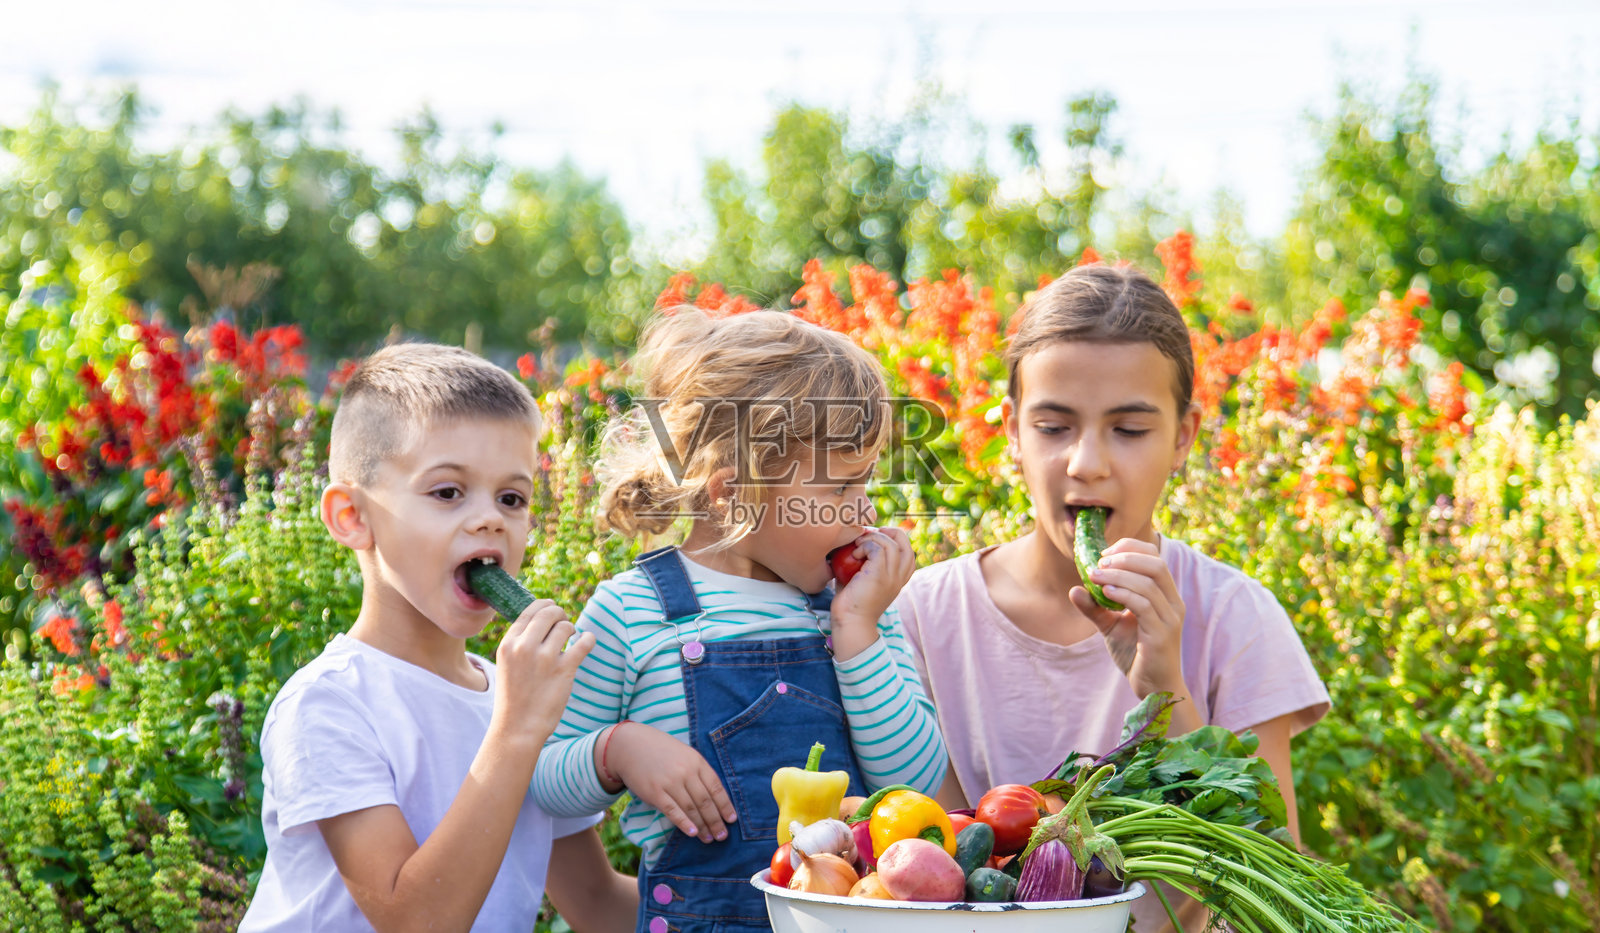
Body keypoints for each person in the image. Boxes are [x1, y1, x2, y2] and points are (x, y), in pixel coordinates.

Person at [893, 264, 1330, 933]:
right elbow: (925, 864)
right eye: (1054, 426)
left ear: (1183, 436)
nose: (1087, 461)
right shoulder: (923, 614)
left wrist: (1164, 687)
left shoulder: (1236, 617)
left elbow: (1275, 886)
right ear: (1011, 431)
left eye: (1128, 430)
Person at [529, 307, 947, 933]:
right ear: (733, 493)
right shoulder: (632, 612)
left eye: (867, 484)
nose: (865, 511)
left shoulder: (857, 613)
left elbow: (914, 785)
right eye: (841, 490)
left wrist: (856, 633)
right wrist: (615, 752)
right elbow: (542, 780)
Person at [240, 343, 636, 933]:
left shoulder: (518, 700)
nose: (490, 519)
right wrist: (519, 728)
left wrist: (771, 897)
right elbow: (415, 921)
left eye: (512, 498)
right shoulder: (328, 705)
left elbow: (598, 906)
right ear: (352, 517)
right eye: (448, 492)